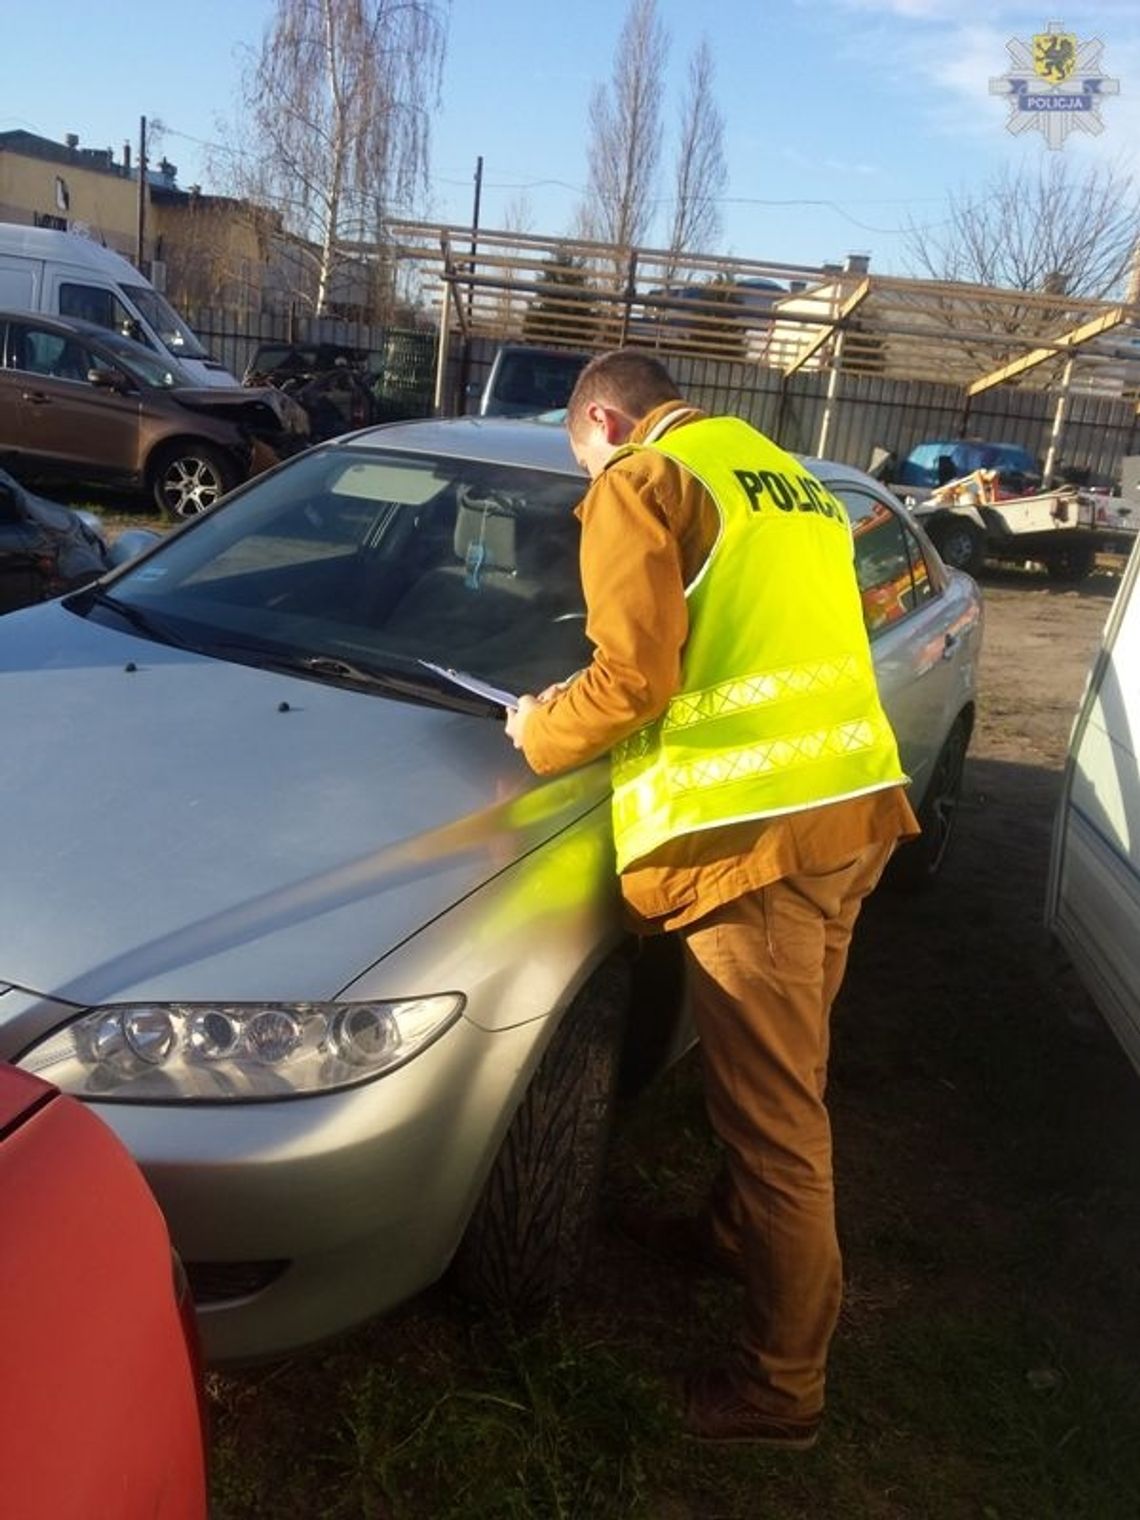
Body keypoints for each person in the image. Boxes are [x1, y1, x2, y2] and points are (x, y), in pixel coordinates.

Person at [504, 348, 919, 1449]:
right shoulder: (784, 477)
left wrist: (536, 726)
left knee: (780, 1125)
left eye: (578, 454)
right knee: (796, 1070)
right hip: (851, 812)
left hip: (758, 839)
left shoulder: (642, 482)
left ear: (604, 418)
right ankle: (734, 1235)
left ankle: (782, 1392)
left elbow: (632, 678)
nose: (586, 476)